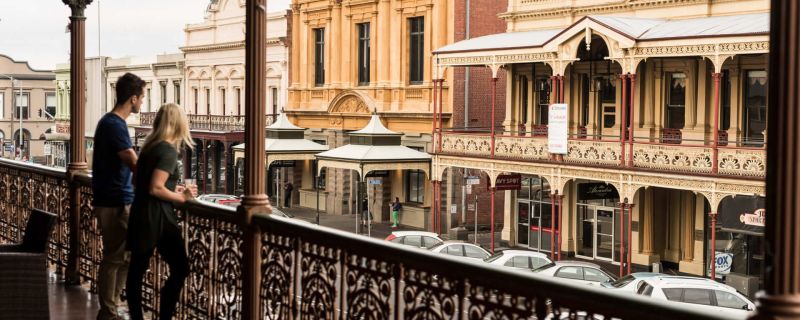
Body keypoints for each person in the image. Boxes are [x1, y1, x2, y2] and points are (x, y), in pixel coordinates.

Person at [126, 103, 195, 320]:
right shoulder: (167, 149)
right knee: (181, 267)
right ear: (178, 123)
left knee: (136, 271)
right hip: (159, 218)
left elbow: (138, 180)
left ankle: (137, 316)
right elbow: (155, 187)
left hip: (141, 213)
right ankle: (164, 316)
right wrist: (182, 197)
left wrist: (173, 188)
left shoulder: (148, 147)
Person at [92, 72, 143, 320]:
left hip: (115, 199)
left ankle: (111, 306)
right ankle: (109, 310)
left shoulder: (110, 123)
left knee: (124, 256)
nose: (142, 103)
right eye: (141, 97)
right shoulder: (114, 124)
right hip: (116, 202)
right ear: (133, 98)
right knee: (115, 258)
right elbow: (134, 162)